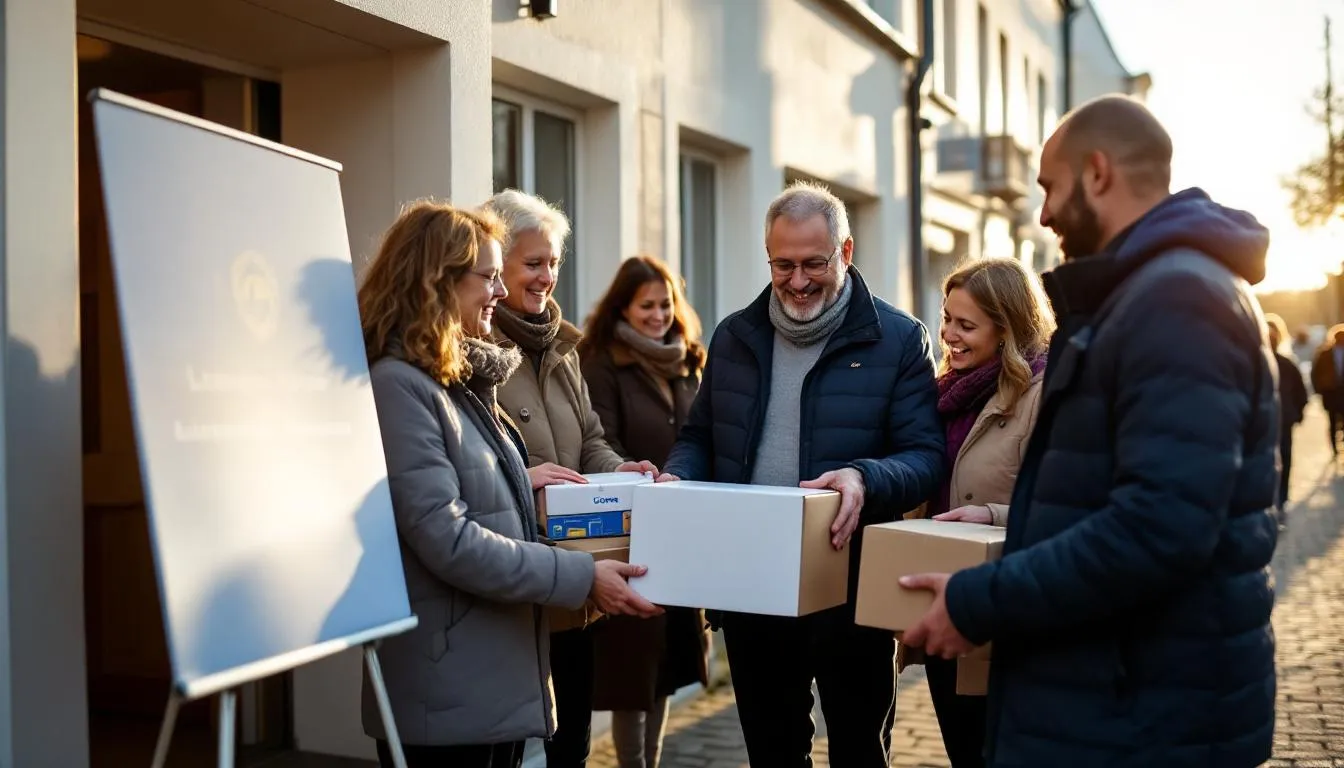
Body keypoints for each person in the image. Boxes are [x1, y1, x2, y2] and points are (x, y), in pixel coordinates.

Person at [901, 94, 1278, 767]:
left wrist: (981, 599)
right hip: (1119, 696)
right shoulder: (1144, 295)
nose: (1043, 213)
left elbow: (1159, 527)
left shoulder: (1177, 301)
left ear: (1097, 173)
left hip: (1147, 714)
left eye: (1050, 187)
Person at [356, 200, 660, 768]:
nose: (499, 291)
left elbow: (481, 497)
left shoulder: (458, 381)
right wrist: (577, 573)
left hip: (485, 671)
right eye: (489, 277)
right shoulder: (400, 387)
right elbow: (446, 537)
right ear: (437, 281)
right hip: (449, 684)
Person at [657, 181, 945, 767]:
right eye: (782, 264)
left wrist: (864, 478)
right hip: (750, 583)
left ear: (845, 251)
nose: (796, 280)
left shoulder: (898, 339)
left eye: (813, 263)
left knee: (860, 748)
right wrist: (678, 481)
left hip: (852, 586)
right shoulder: (735, 336)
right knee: (772, 748)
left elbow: (924, 456)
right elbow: (699, 438)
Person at [481, 189, 657, 768]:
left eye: (554, 262)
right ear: (496, 266)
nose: (547, 277)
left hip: (579, 582)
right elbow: (466, 462)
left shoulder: (565, 347)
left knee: (571, 745)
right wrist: (521, 473)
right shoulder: (471, 348)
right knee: (513, 747)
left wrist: (620, 470)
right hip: (515, 580)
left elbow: (590, 443)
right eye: (534, 263)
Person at [909, 257, 1054, 768]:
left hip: (1007, 616)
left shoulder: (1045, 396)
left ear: (1008, 327)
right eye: (946, 318)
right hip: (946, 610)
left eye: (966, 325)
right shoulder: (946, 392)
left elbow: (1065, 510)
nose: (948, 334)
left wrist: (991, 516)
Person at [578, 255, 712, 768]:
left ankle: (650, 762)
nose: (658, 315)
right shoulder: (602, 362)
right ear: (623, 307)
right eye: (646, 306)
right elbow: (600, 440)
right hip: (629, 529)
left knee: (668, 663)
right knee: (631, 667)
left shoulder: (688, 360)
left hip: (683, 529)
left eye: (665, 304)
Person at [1266, 313, 1307, 519]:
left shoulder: (1287, 364)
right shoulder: (1256, 362)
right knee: (1272, 460)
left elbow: (1300, 391)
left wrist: (1298, 412)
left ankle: (1281, 498)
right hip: (1266, 422)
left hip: (1284, 419)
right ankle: (1275, 498)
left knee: (1284, 457)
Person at [1311, 324, 1344, 456]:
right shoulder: (1325, 354)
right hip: (1331, 392)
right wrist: (1319, 389)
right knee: (1332, 420)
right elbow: (1316, 373)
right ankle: (1334, 448)